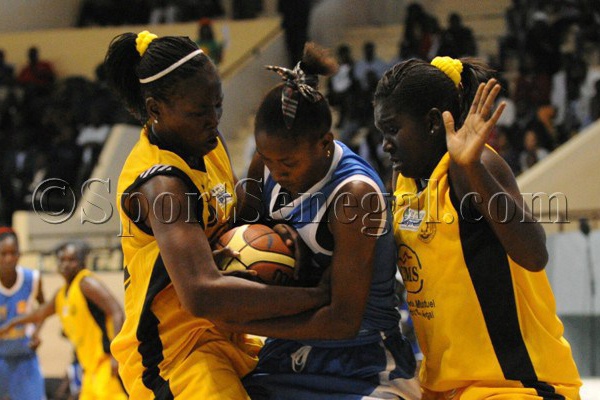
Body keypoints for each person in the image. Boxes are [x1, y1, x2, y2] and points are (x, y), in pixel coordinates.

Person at [103, 30, 329, 398]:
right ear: (155, 109)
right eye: (199, 112)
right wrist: (315, 297)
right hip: (177, 354)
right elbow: (202, 293)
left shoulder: (205, 141)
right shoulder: (162, 185)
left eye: (217, 106)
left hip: (227, 332)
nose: (213, 119)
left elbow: (235, 216)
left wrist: (273, 219)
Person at [374, 56, 581, 399]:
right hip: (442, 386)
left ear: (431, 123)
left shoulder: (472, 165)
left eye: (393, 129)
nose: (385, 143)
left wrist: (474, 170)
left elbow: (534, 253)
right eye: (382, 132)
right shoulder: (405, 179)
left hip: (514, 386)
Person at [224, 42, 420, 400]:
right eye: (268, 161)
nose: (276, 172)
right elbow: (232, 241)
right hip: (286, 351)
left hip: (362, 354)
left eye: (288, 164)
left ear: (325, 143)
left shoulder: (354, 195)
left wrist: (245, 321)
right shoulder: (264, 167)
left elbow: (342, 320)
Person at [0, 240, 127, 399]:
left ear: (81, 262)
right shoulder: (61, 294)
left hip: (106, 365)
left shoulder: (86, 282)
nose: (66, 264)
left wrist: (117, 355)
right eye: (62, 260)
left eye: (72, 260)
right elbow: (39, 313)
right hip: (89, 370)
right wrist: (12, 323)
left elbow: (117, 312)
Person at [0, 227, 45, 400]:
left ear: (20, 254)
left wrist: (37, 332)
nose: (9, 258)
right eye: (3, 254)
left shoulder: (32, 278)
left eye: (13, 253)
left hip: (25, 356)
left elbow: (44, 308)